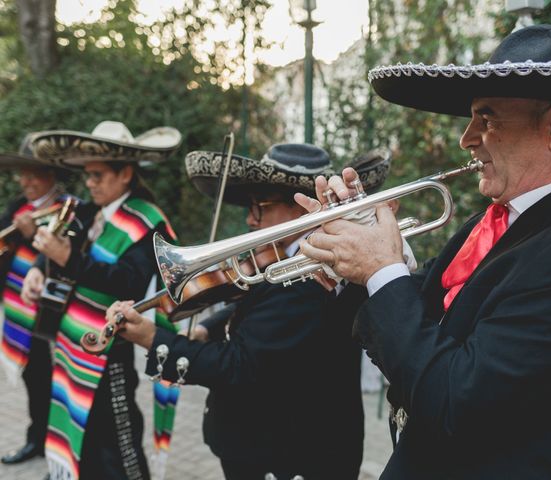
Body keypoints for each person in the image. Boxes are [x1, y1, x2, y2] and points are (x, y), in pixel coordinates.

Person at [295, 25, 551, 479]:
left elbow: (456, 400)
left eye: (488, 118)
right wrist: (353, 260)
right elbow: (419, 320)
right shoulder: (501, 219)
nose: (467, 138)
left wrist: (381, 268)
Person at [108, 144, 391, 480]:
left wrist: (154, 339)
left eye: (260, 206)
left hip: (288, 455)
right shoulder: (277, 258)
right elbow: (253, 313)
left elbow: (239, 364)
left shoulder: (309, 275)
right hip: (268, 446)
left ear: (303, 209)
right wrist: (206, 329)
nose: (249, 218)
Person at [21, 120, 181, 480]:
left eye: (97, 175)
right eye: (87, 176)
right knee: (84, 435)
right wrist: (37, 269)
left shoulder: (146, 221)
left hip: (110, 349)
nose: (89, 183)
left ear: (125, 173)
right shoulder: (89, 211)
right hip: (71, 344)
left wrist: (68, 260)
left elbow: (128, 282)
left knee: (117, 444)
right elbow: (57, 242)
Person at [0, 135, 76, 466]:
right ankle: (37, 439)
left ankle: (59, 450)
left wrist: (33, 234)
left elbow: (68, 260)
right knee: (34, 378)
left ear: (52, 176)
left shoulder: (69, 209)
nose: (26, 181)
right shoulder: (19, 207)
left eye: (34, 174)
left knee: (57, 382)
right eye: (23, 173)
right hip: (18, 310)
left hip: (52, 313)